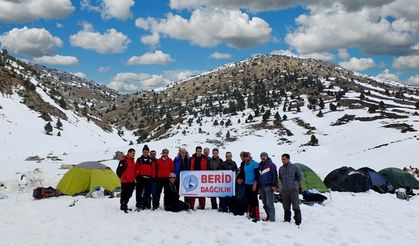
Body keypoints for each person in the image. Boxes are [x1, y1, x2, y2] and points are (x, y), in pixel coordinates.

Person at [278, 153, 302, 225]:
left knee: (295, 205)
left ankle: (298, 221)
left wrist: (295, 184)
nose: (283, 161)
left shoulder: (294, 167)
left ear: (288, 159)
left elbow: (300, 177)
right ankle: (287, 220)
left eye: (284, 159)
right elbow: (280, 178)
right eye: (282, 159)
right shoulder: (281, 169)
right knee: (286, 205)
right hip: (285, 190)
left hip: (293, 189)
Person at [258, 152, 278, 222]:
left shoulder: (271, 165)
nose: (263, 157)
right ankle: (268, 216)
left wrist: (274, 185)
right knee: (264, 203)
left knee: (270, 203)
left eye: (264, 156)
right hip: (262, 187)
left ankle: (272, 220)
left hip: (269, 186)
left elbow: (274, 175)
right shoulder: (260, 165)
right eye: (262, 156)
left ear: (267, 156)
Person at [135, 145, 154, 211]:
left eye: (147, 152)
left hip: (148, 178)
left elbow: (153, 169)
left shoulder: (151, 160)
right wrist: (136, 177)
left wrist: (152, 177)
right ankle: (139, 204)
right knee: (139, 192)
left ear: (148, 152)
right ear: (142, 152)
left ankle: (147, 204)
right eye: (144, 152)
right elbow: (135, 169)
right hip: (140, 178)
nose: (145, 153)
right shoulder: (139, 159)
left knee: (148, 192)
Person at [243, 152, 260, 222]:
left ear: (250, 157)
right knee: (249, 200)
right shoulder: (245, 165)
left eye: (247, 156)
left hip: (253, 184)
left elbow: (257, 175)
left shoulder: (254, 163)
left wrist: (255, 184)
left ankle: (257, 216)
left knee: (254, 199)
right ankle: (251, 214)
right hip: (247, 184)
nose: (246, 158)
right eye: (245, 157)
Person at [118, 148, 136, 213]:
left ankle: (124, 204)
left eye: (134, 153)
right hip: (125, 181)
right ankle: (124, 206)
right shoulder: (123, 160)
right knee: (125, 194)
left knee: (129, 194)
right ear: (129, 153)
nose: (133, 154)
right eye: (132, 153)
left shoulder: (133, 161)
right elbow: (118, 170)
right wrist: (121, 177)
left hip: (132, 180)